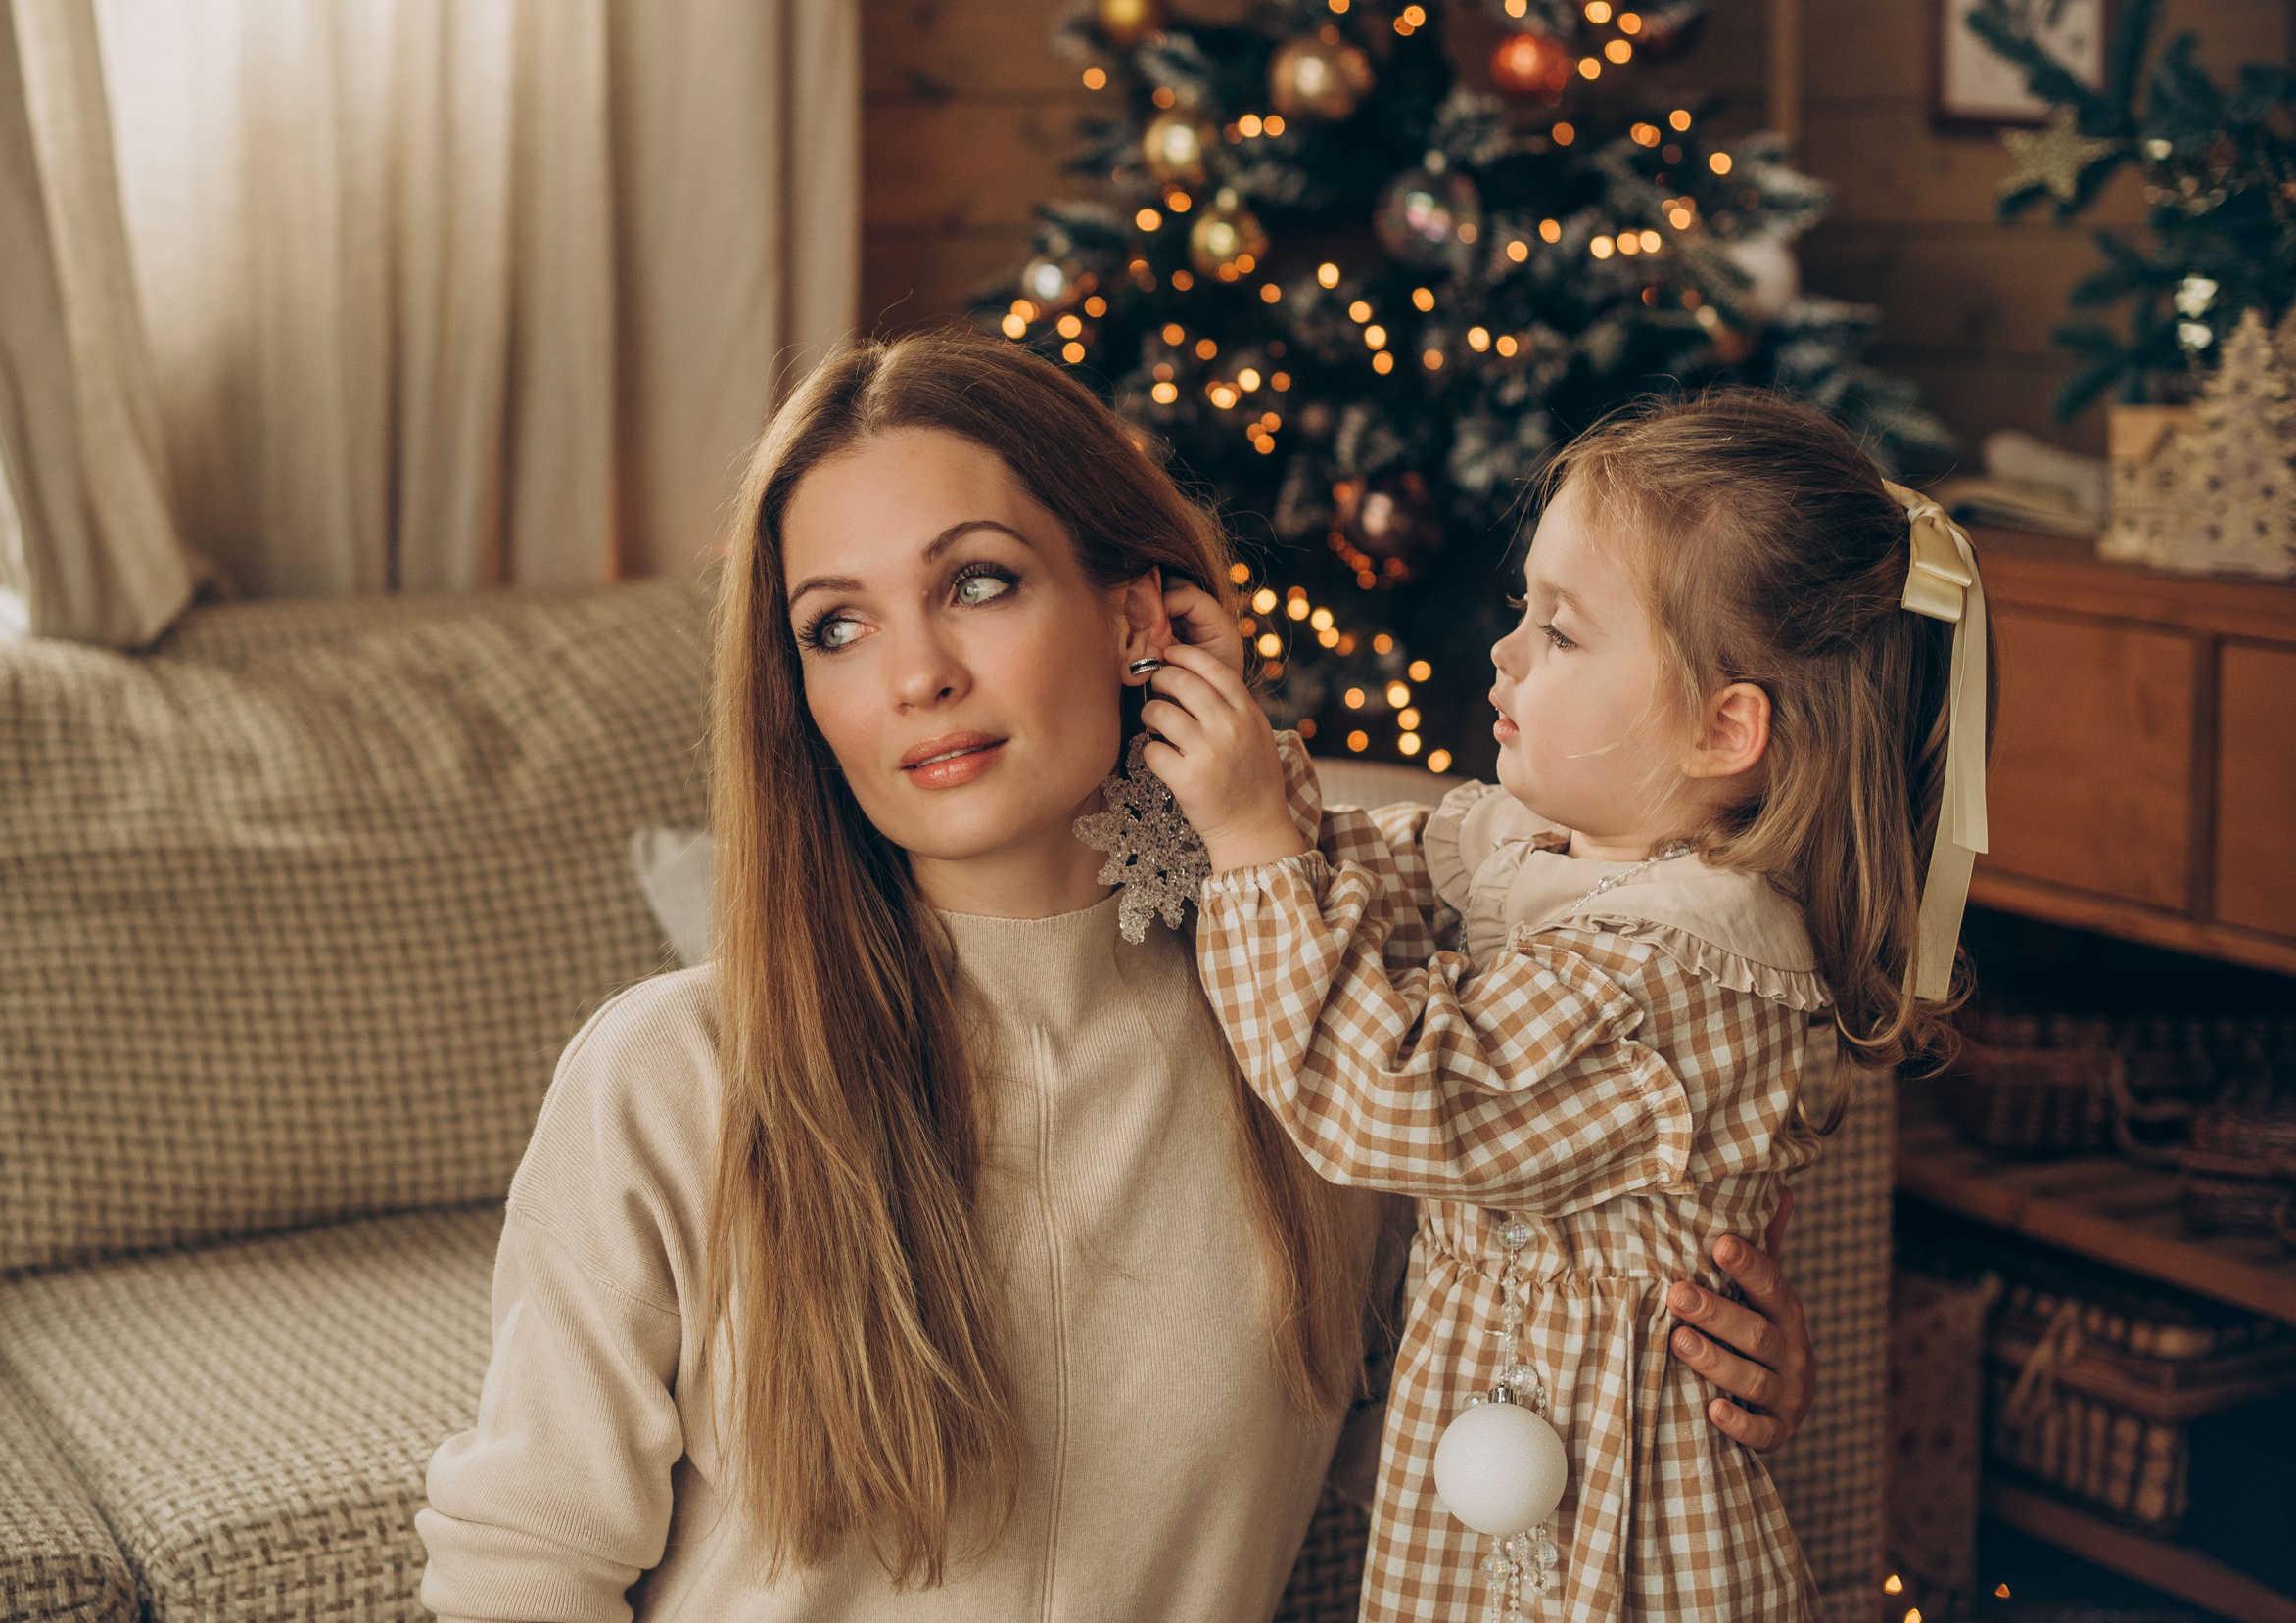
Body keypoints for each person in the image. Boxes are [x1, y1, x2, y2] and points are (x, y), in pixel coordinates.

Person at [415, 337, 1818, 1622]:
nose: (915, 674)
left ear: (1139, 612)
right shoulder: (673, 1071)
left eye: (976, 582)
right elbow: (519, 1571)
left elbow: (1463, 1437)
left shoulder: (1329, 1047)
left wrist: (1683, 1368)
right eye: (836, 626)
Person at [1141, 388, 1990, 1620]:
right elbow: (1364, 884)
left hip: (1618, 1556)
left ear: (1721, 725)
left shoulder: (1676, 973)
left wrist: (1248, 842)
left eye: (1564, 631)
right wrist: (1243, 763)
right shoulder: (1538, 851)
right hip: (1496, 1513)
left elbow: (1387, 1095)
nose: (1505, 653)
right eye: (1520, 611)